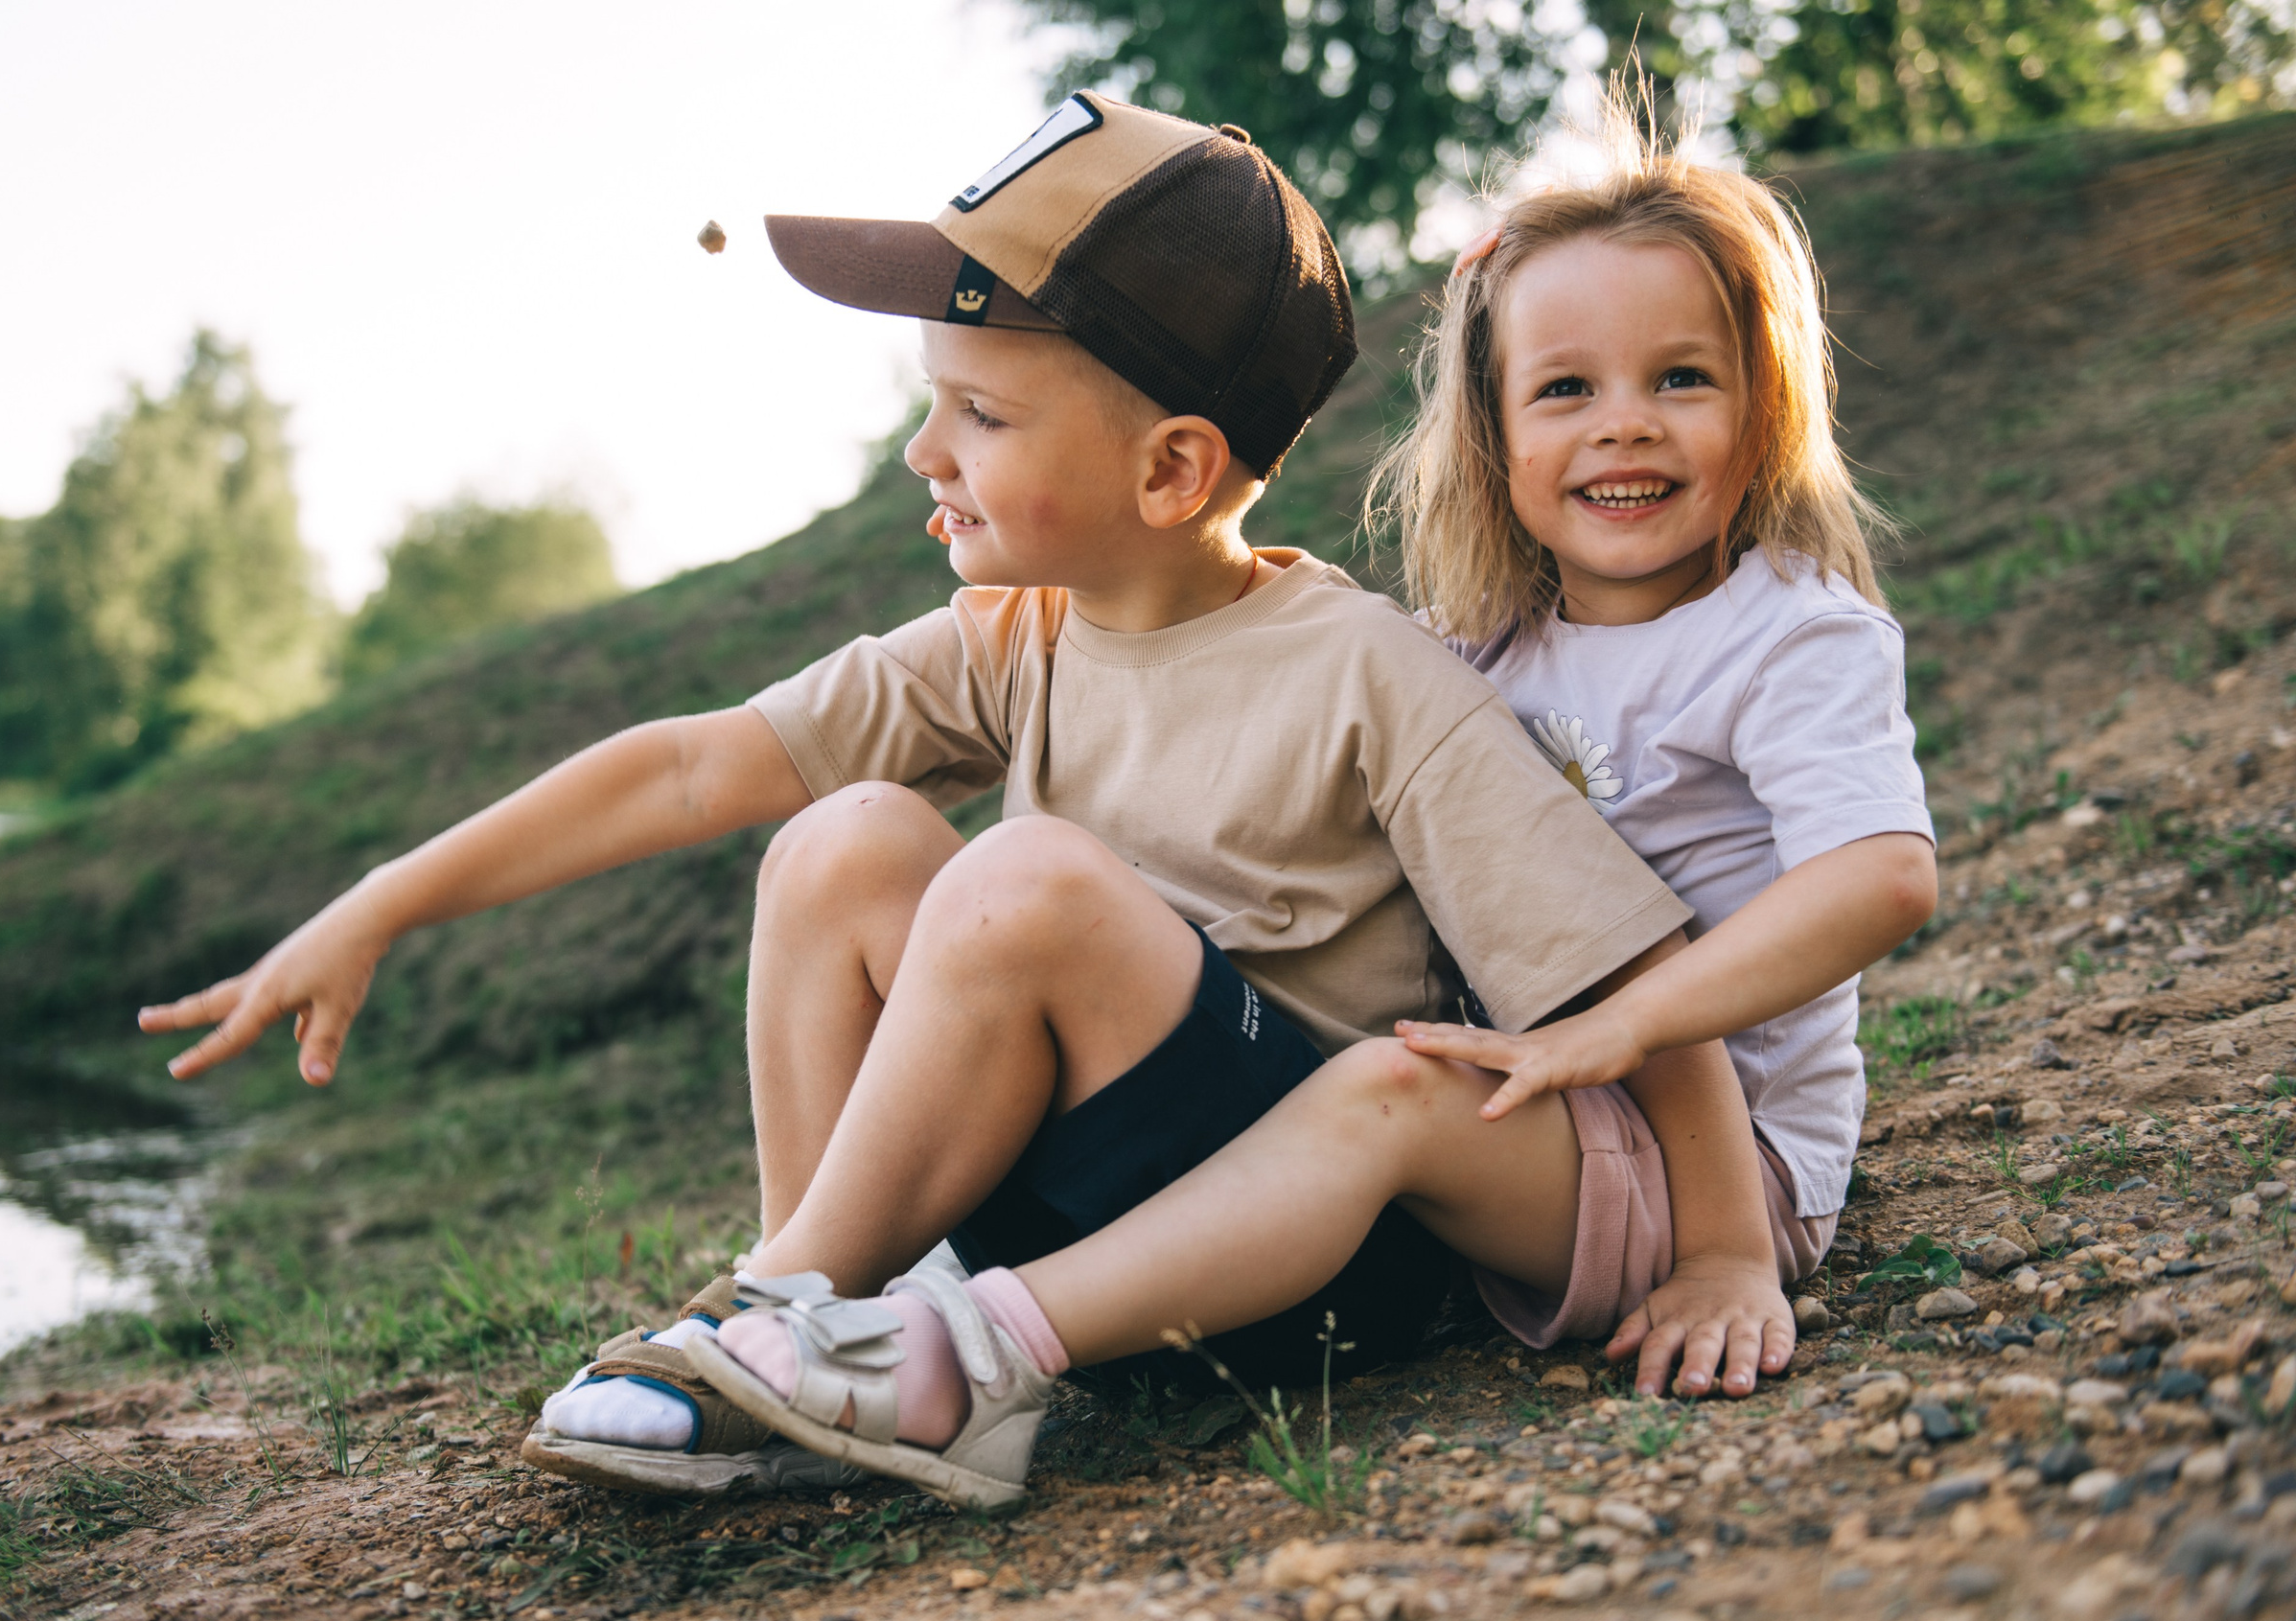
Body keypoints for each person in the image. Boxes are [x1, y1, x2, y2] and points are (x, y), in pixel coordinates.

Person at [139, 92, 1761, 1504]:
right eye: (935, 401)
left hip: (1301, 1263)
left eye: (981, 415)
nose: (927, 451)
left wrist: (1722, 1248)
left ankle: (768, 1314)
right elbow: (700, 761)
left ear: (1171, 472)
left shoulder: (1369, 674)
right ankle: (813, 1323)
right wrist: (383, 902)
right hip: (1073, 1205)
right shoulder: (1015, 635)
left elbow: (1632, 979)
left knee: (1026, 879)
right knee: (842, 838)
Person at [684, 94, 1939, 1511]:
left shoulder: (1791, 633)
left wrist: (1715, 1234)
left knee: (1387, 1090)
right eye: (1567, 390)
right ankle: (826, 1311)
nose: (1623, 428)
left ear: (1764, 398)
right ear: (1497, 429)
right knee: (1370, 1076)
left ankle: (971, 1353)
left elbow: (1878, 881)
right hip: (1531, 1117)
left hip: (1716, 1163)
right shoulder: (1482, 646)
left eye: (1683, 380)